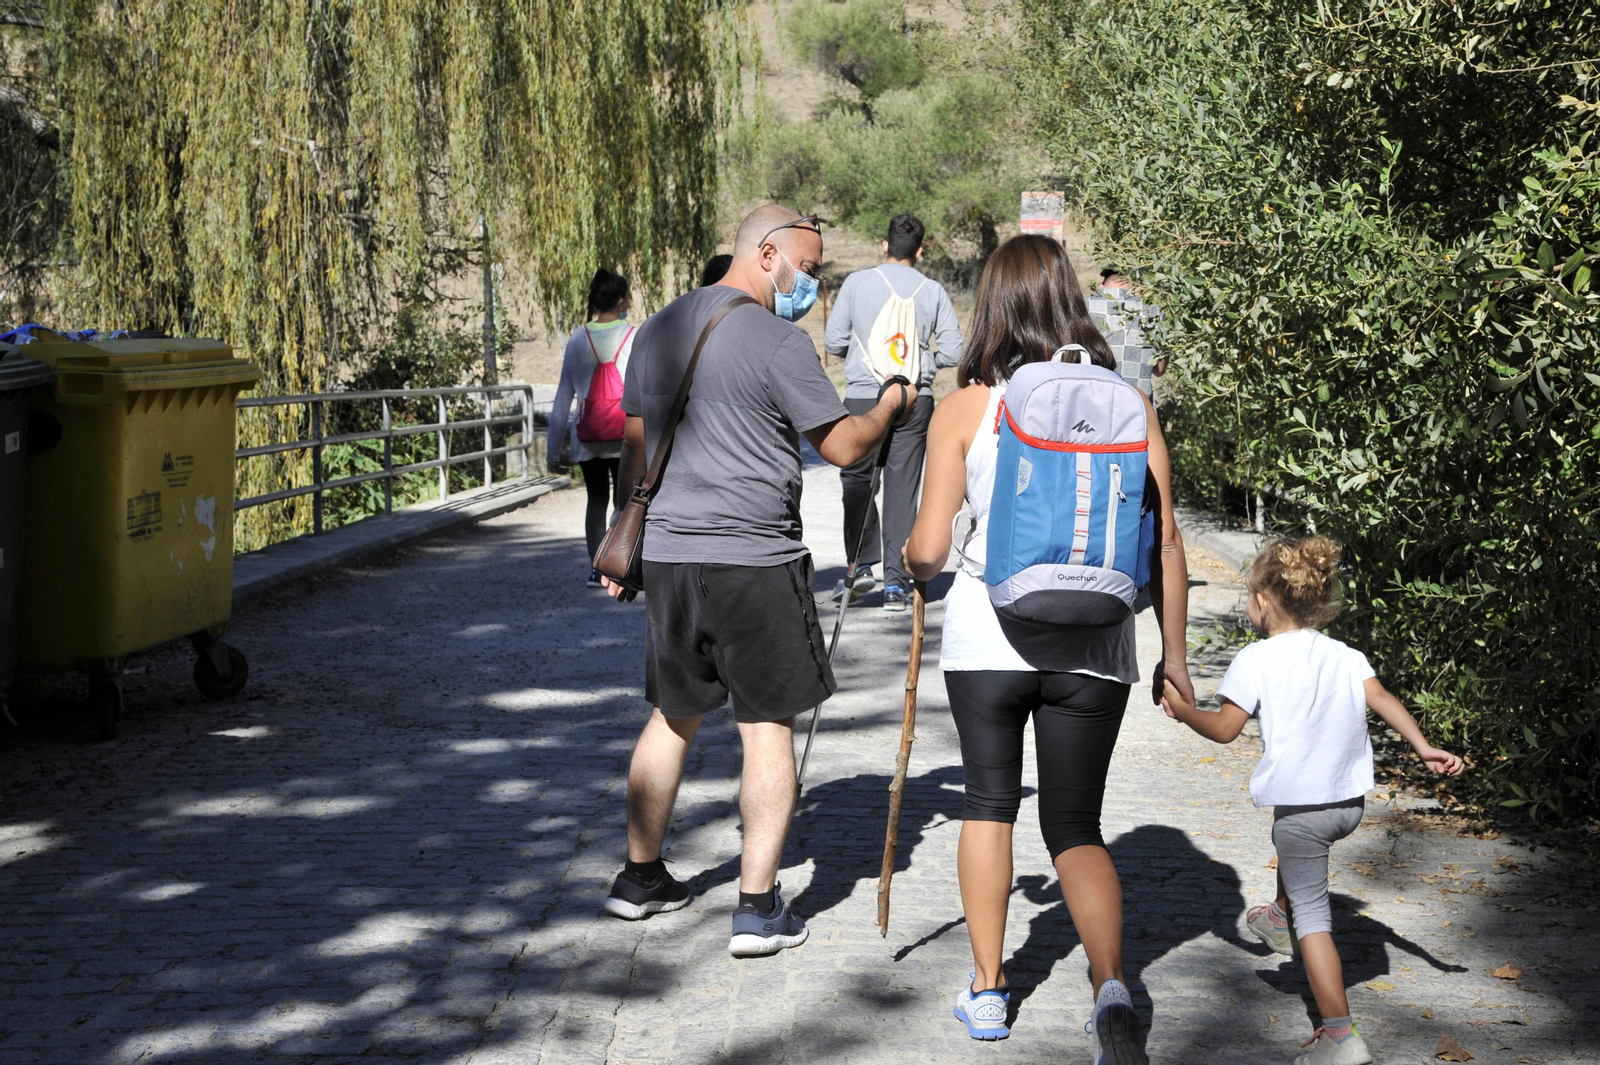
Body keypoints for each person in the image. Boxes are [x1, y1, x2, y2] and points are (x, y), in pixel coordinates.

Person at [599, 204, 919, 957]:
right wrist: (891, 406)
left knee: (671, 715)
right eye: (808, 269)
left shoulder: (658, 330)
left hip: (673, 557)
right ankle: (756, 905)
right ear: (767, 254)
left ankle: (639, 879)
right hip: (754, 560)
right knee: (766, 724)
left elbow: (636, 452)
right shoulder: (779, 341)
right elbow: (842, 447)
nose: (813, 284)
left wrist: (626, 546)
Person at [903, 234, 1190, 1059]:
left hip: (989, 639)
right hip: (1096, 645)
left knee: (989, 804)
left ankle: (989, 992)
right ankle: (1110, 987)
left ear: (990, 309)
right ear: (1072, 301)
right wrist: (1174, 656)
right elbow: (1165, 539)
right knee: (1076, 821)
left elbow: (927, 549)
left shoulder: (966, 410)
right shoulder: (1130, 404)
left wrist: (918, 561)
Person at [1160, 537, 1464, 1065]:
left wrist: (1186, 713)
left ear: (1262, 601)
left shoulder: (1256, 659)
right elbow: (1384, 699)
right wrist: (1424, 748)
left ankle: (1339, 1035)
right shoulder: (1345, 655)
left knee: (1314, 916)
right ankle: (1278, 915)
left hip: (1302, 818)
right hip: (1347, 805)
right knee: (1302, 871)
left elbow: (1227, 730)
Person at [824, 213, 964, 611]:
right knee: (903, 488)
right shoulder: (932, 290)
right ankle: (897, 585)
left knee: (856, 480)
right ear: (919, 251)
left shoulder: (856, 283)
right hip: (913, 400)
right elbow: (953, 351)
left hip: (863, 398)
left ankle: (859, 567)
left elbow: (834, 342)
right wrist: (924, 361)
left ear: (884, 246)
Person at [547, 268, 638, 586]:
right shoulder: (632, 335)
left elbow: (563, 396)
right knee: (623, 501)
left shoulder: (576, 338)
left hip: (587, 438)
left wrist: (552, 449)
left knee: (596, 500)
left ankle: (596, 569)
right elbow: (643, 393)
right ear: (622, 299)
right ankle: (619, 566)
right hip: (625, 436)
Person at [1087, 266, 1164, 399]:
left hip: (1091, 405)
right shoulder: (1154, 313)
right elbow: (1159, 370)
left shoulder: (1081, 308)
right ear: (1136, 288)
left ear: (1101, 285)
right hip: (1138, 408)